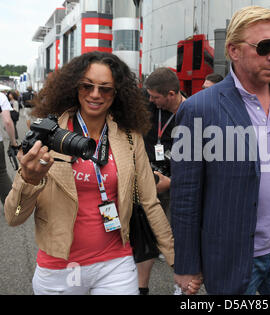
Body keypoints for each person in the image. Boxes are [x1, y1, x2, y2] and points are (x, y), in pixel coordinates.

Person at [171, 6, 270, 295]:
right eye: (264, 46)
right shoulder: (199, 109)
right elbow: (185, 195)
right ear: (234, 51)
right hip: (232, 259)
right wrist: (186, 263)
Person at [3, 51, 182, 295]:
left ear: (117, 93)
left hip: (116, 262)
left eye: (105, 88)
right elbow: (13, 216)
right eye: (87, 86)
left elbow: (150, 202)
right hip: (61, 267)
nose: (95, 94)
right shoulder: (50, 134)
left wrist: (178, 262)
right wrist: (28, 180)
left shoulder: (129, 136)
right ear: (75, 87)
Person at [137, 67, 186, 295]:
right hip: (149, 180)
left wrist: (173, 183)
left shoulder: (192, 113)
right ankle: (140, 287)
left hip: (178, 185)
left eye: (155, 96)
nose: (150, 100)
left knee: (178, 237)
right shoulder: (148, 108)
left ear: (171, 94)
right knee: (145, 233)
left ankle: (181, 286)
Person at [0, 92, 19, 205]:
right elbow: (7, 121)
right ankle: (12, 207)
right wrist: (13, 142)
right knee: (1, 173)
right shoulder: (1, 96)